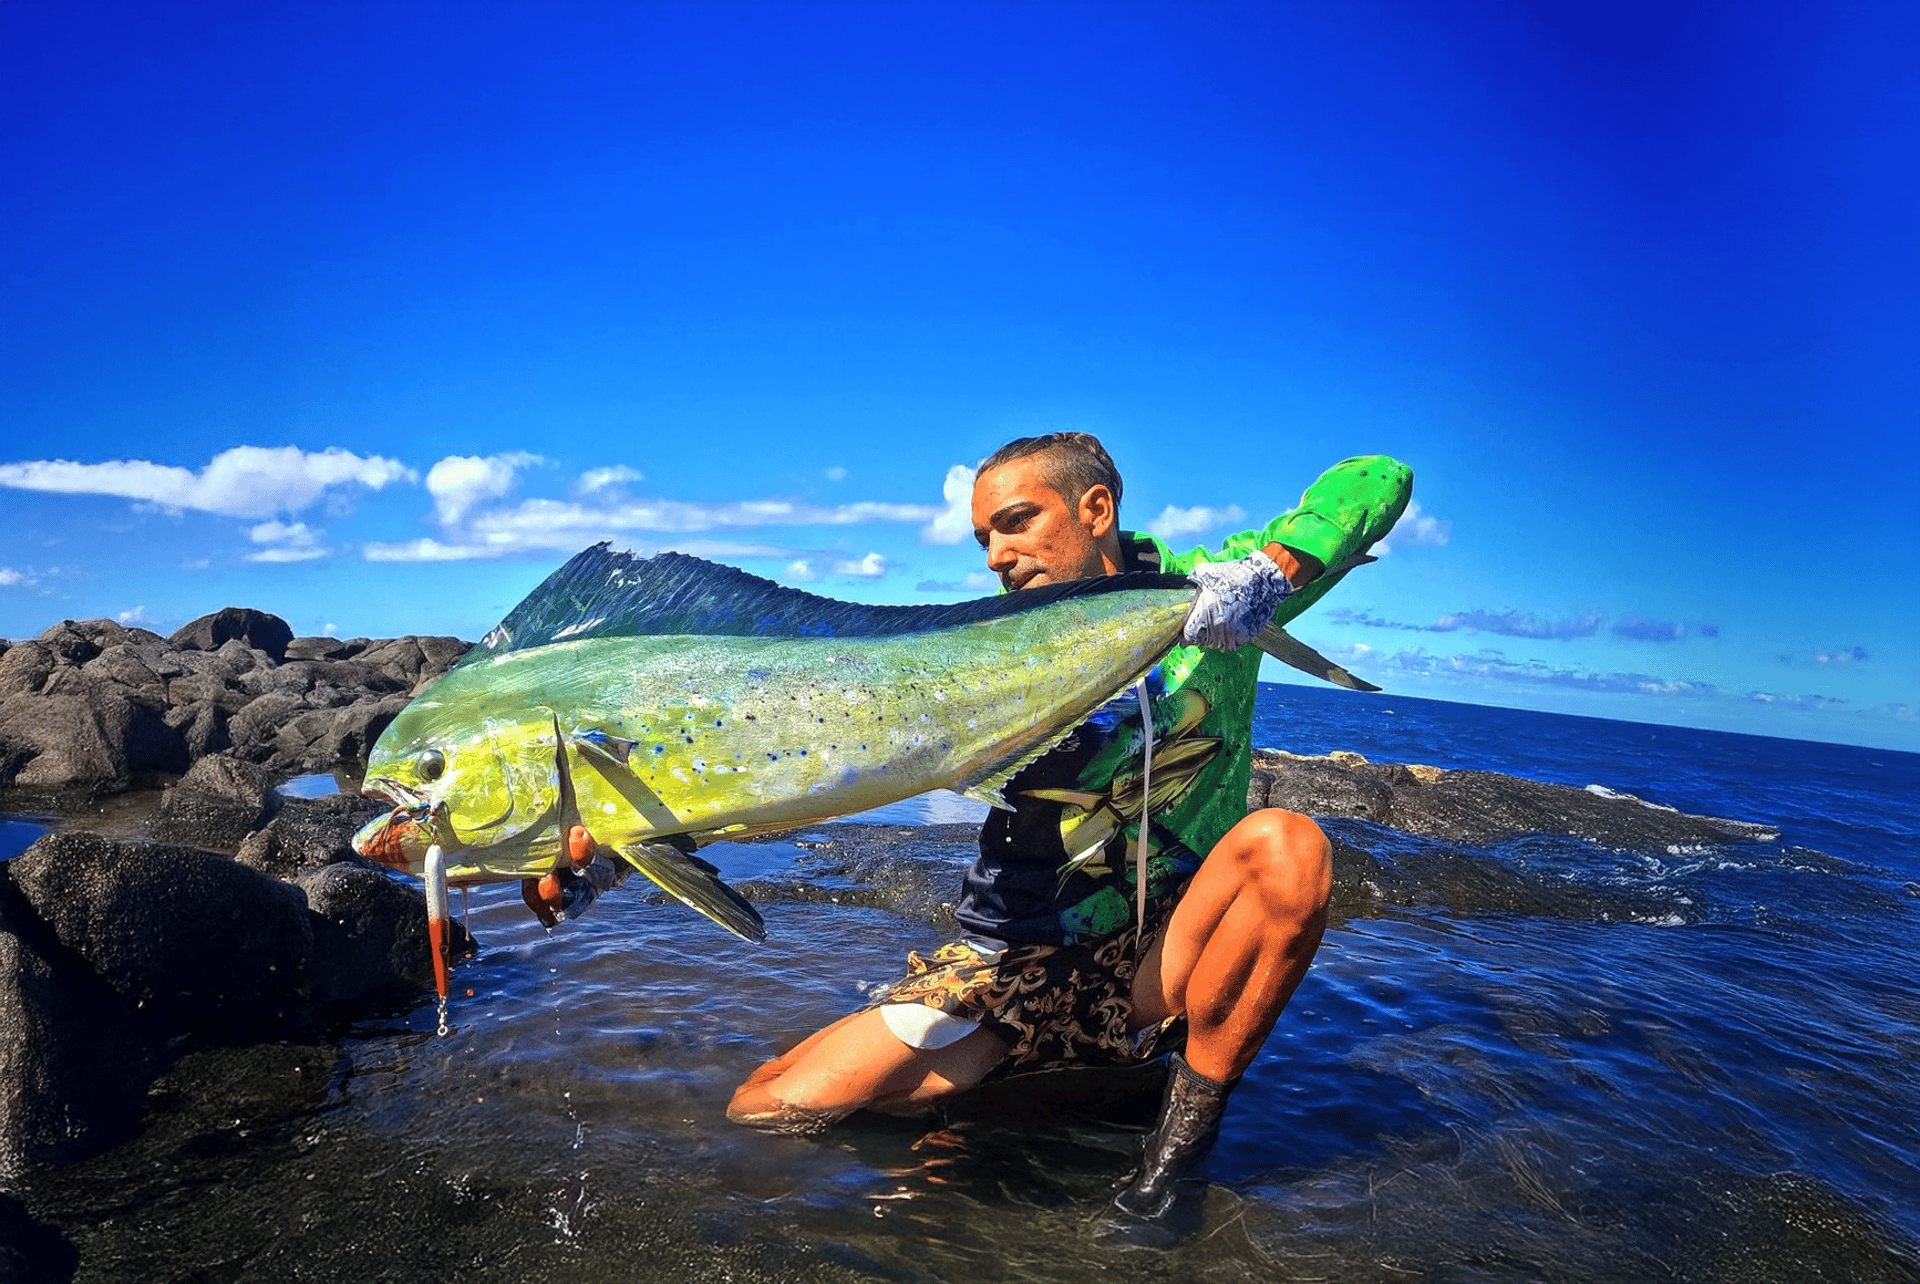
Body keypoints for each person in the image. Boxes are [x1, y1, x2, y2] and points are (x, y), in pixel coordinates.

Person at [719, 433, 1413, 1220]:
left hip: (1160, 956)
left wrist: (1270, 573)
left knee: (1288, 847)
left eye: (1016, 522)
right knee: (769, 1108)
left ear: (1096, 508)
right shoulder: (987, 651)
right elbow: (828, 762)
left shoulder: (1212, 589)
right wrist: (625, 846)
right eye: (984, 538)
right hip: (1017, 958)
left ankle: (1176, 1158)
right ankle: (1019, 1088)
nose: (995, 556)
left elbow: (1377, 479)